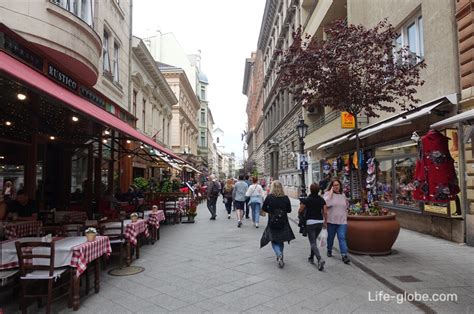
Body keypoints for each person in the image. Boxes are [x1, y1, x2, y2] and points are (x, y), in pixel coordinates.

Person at [260, 180, 295, 268]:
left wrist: (271, 212)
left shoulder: (269, 197)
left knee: (274, 240)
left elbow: (264, 208)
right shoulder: (285, 198)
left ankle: (278, 254)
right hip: (283, 222)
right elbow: (289, 210)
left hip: (272, 221)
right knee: (281, 240)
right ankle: (281, 256)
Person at [299, 183, 328, 271]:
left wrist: (301, 214)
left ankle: (320, 259)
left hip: (310, 222)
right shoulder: (322, 200)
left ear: (310, 190)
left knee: (312, 242)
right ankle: (311, 257)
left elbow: (301, 210)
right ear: (318, 190)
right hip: (319, 222)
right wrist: (325, 222)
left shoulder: (307, 200)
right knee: (314, 240)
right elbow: (325, 212)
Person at [324, 179, 350, 264]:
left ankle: (344, 255)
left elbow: (346, 206)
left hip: (342, 221)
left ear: (340, 186)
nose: (336, 187)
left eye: (337, 185)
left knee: (342, 237)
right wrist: (331, 193)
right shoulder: (328, 194)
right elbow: (326, 204)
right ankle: (329, 249)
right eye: (334, 185)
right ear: (331, 186)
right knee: (330, 238)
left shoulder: (342, 195)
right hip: (331, 221)